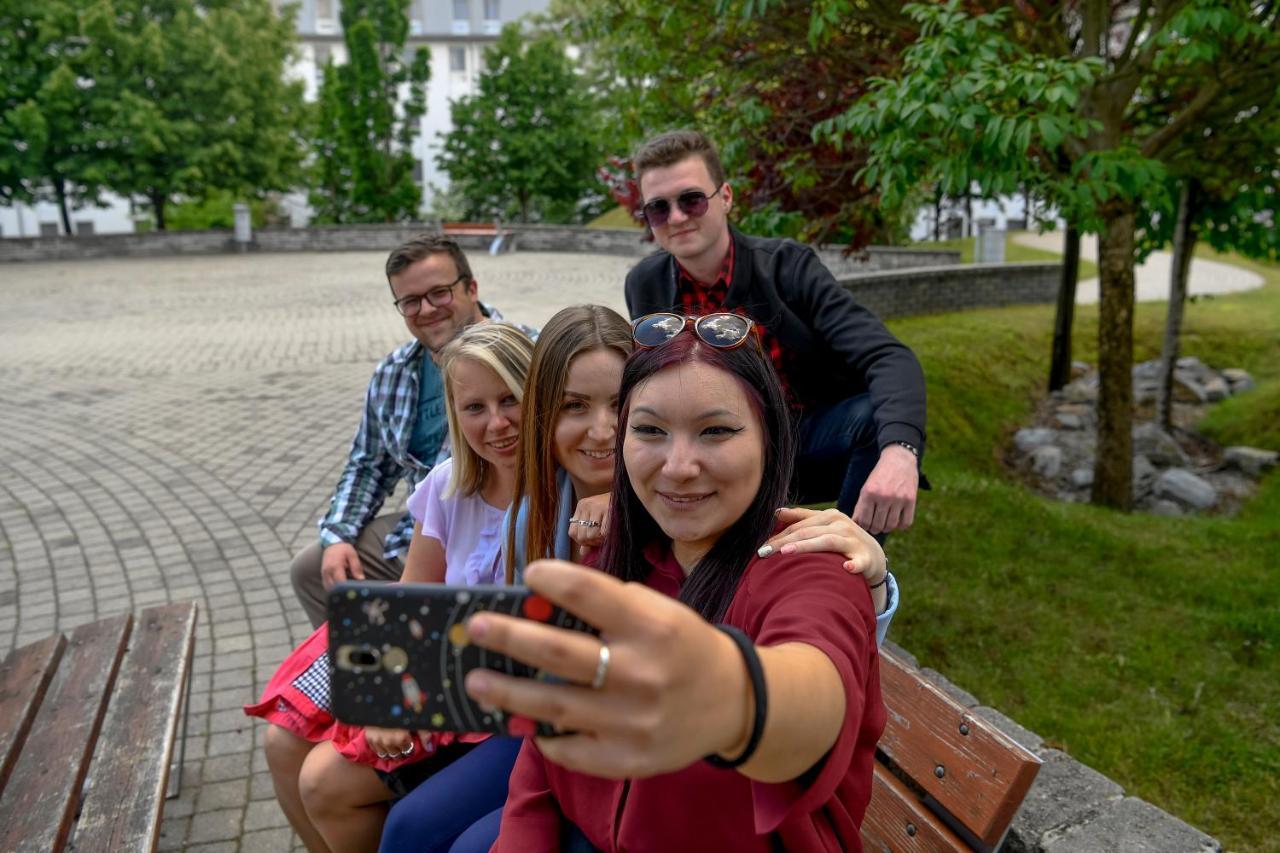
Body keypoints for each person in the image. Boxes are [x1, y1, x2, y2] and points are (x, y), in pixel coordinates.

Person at [378, 305, 895, 852]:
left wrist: (734, 695)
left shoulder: (810, 564)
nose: (677, 465)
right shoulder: (616, 555)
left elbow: (811, 697)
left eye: (715, 431)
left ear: (771, 437)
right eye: (649, 430)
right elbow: (543, 753)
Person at [251, 324, 535, 853]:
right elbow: (408, 599)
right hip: (438, 656)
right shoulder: (450, 484)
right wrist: (388, 702)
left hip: (487, 688)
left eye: (510, 399)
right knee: (282, 741)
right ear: (454, 413)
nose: (496, 423)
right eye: (474, 408)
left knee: (324, 781)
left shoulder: (560, 487)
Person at [624, 130, 928, 536]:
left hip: (800, 442)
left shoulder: (787, 268)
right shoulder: (645, 283)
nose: (677, 218)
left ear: (726, 197)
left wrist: (901, 453)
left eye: (692, 200)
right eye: (658, 209)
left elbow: (888, 356)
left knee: (873, 421)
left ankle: (851, 563)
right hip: (705, 444)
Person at [290, 234, 531, 628]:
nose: (427, 310)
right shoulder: (394, 372)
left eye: (439, 293)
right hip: (417, 525)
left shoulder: (529, 352)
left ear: (471, 288)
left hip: (495, 524)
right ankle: (357, 670)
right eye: (410, 301)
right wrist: (339, 535)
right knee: (313, 569)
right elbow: (368, 465)